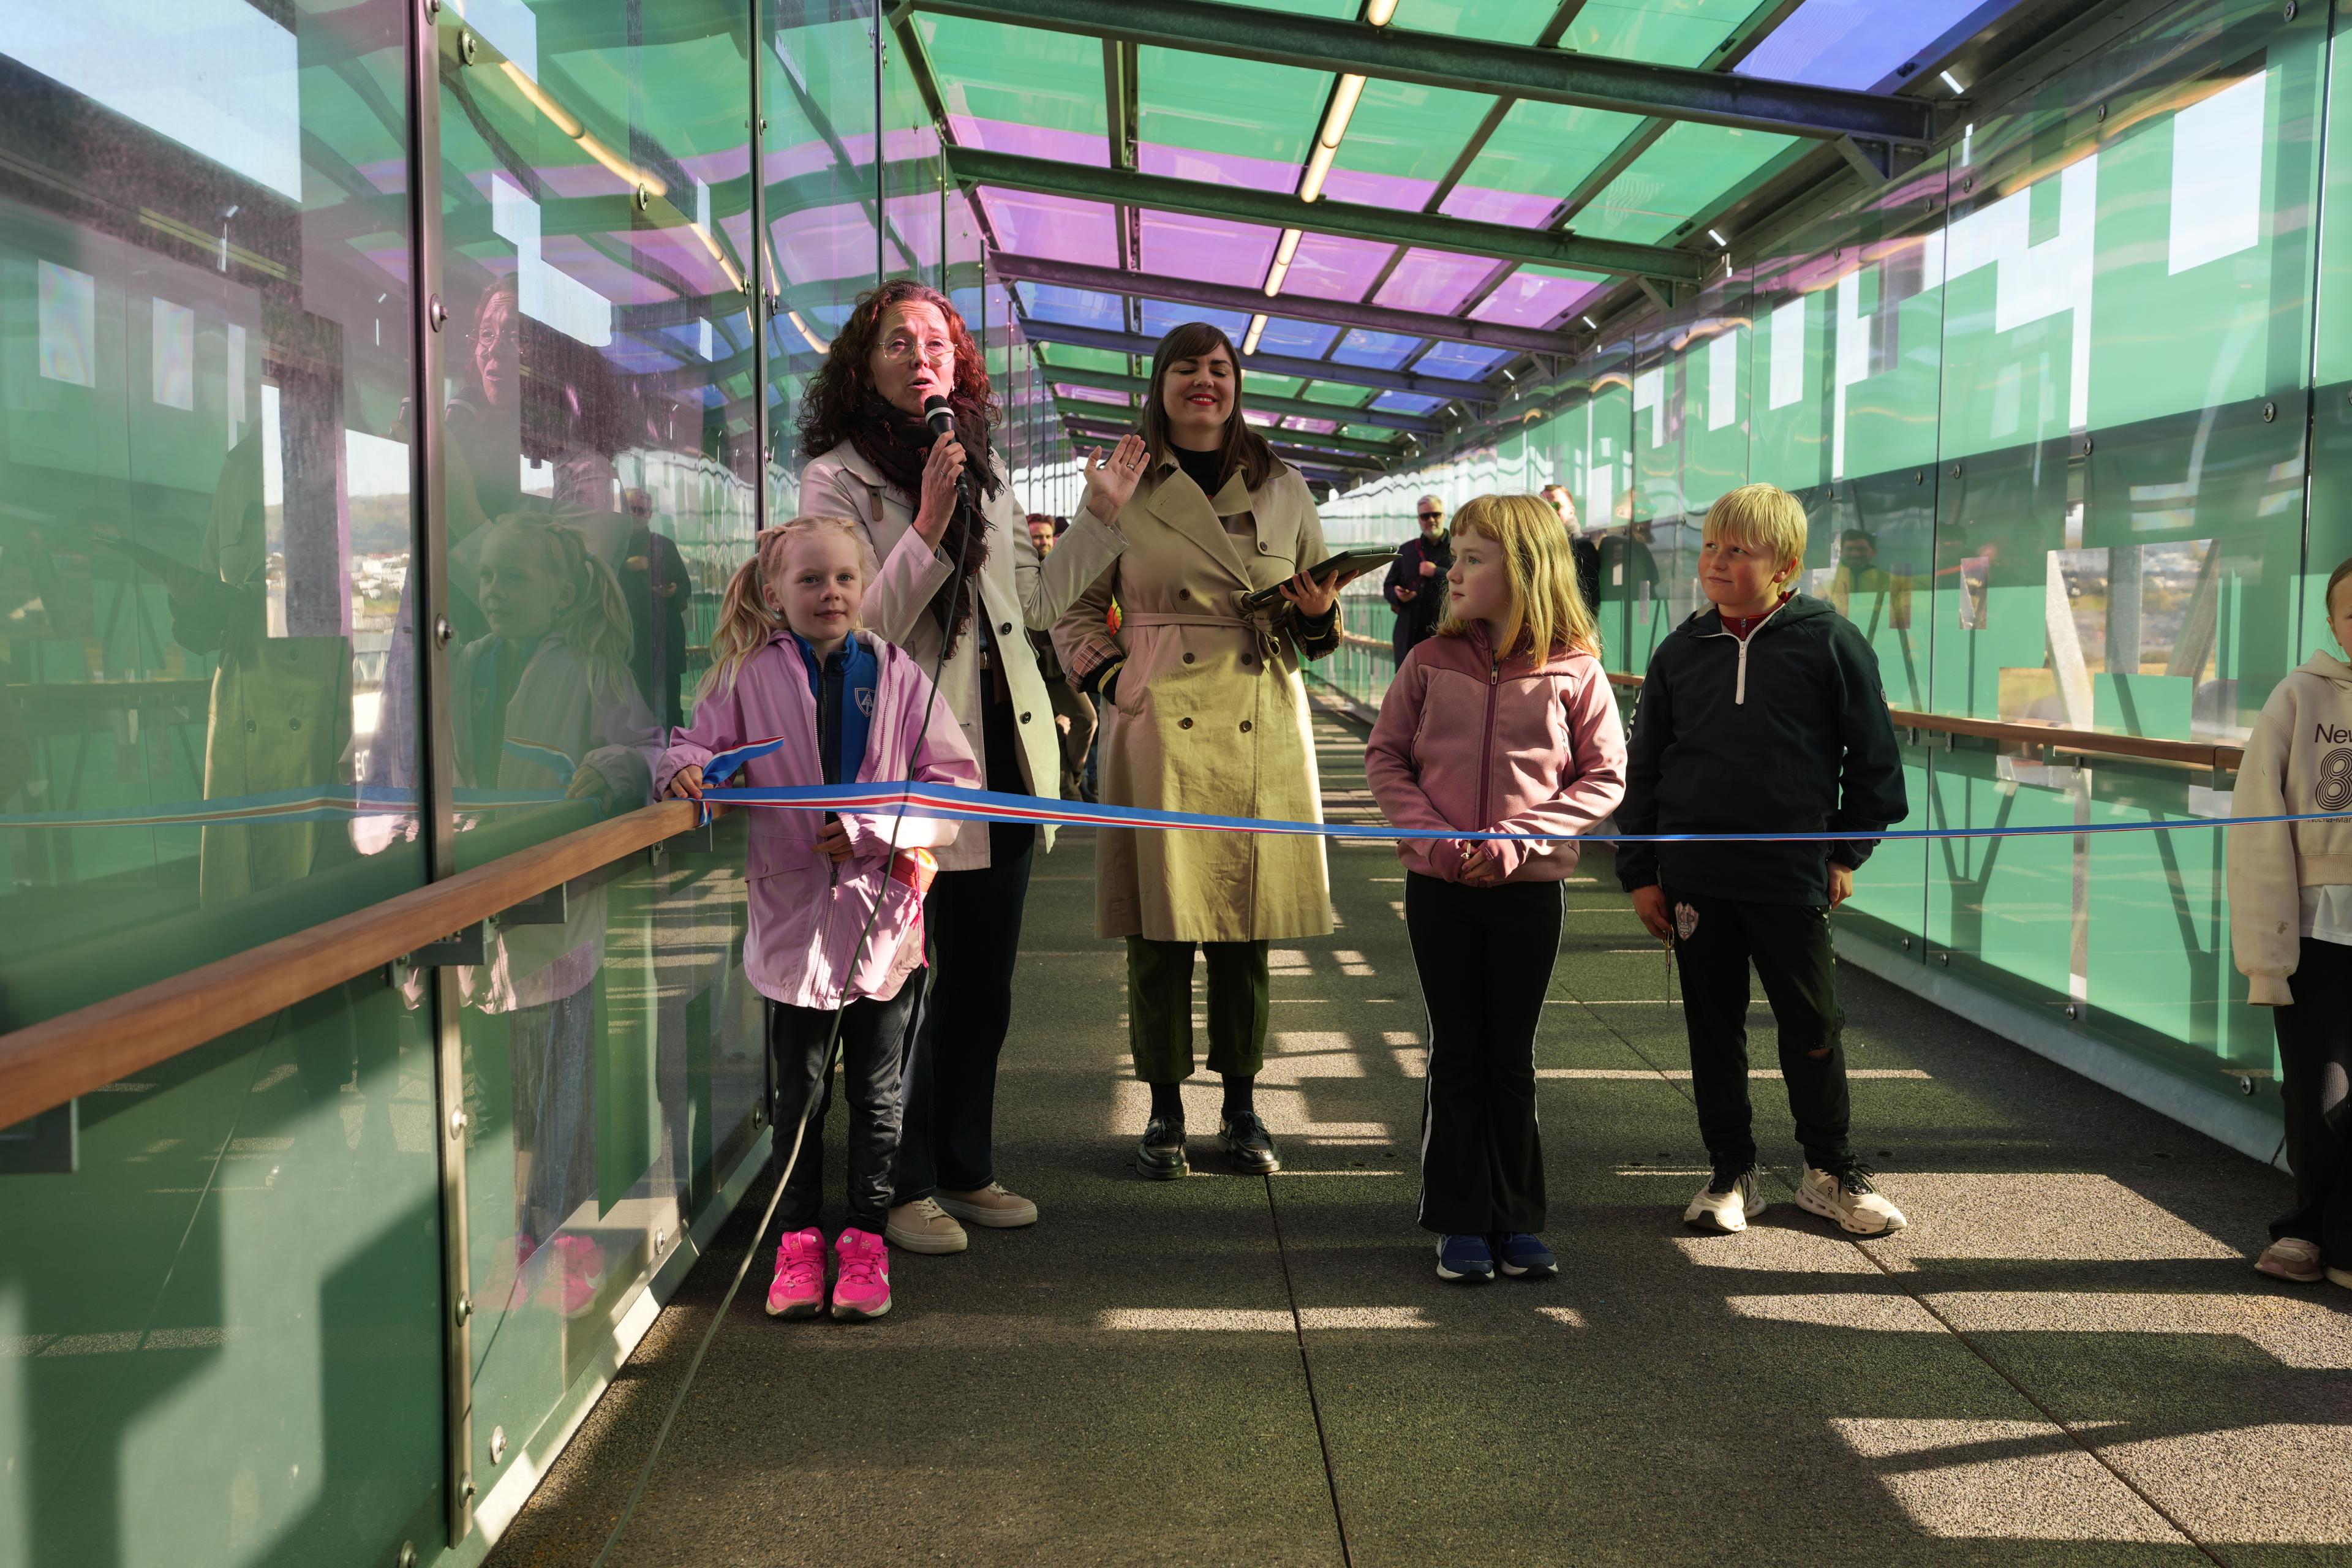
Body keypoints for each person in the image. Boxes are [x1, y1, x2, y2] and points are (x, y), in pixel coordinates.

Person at [797, 281, 1128, 1254]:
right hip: (909, 764)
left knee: (982, 984)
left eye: (935, 341)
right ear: (864, 365)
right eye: (896, 342)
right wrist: (927, 523)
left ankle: (964, 1164)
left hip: (1005, 756)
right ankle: (897, 1185)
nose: (919, 355)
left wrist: (1098, 524)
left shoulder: (982, 465)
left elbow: (1032, 602)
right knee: (901, 982)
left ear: (958, 361)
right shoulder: (837, 480)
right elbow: (852, 627)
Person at [1052, 320, 1354, 1181]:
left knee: (1246, 929)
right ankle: (1162, 1108)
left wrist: (1315, 613)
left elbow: (1321, 628)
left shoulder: (1284, 484)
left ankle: (1245, 1105)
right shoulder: (1122, 486)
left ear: (1236, 383)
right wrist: (1117, 685)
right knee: (1159, 931)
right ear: (1161, 382)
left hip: (1258, 710)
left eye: (1218, 369)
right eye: (1186, 368)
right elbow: (1067, 609)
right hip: (1159, 727)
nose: (1204, 383)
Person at [658, 516, 980, 1321]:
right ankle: (798, 1242)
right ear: (776, 593)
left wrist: (874, 829)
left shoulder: (902, 675)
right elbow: (687, 748)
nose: (829, 593)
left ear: (864, 586)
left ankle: (865, 1242)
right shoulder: (746, 676)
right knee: (796, 1093)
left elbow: (953, 789)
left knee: (878, 1096)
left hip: (886, 925)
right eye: (810, 581)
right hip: (792, 924)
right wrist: (686, 772)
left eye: (843, 578)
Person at [1616, 482, 1911, 1237]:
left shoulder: (1830, 640)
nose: (1716, 561)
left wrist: (1846, 851)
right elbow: (1644, 769)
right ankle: (1729, 1170)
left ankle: (1831, 1170)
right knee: (1713, 1029)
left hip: (1789, 878)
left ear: (1785, 566)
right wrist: (1641, 872)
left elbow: (1874, 761)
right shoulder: (1680, 651)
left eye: (1737, 551)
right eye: (1711, 546)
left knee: (1814, 1023)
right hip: (1695, 882)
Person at [1365, 494, 1626, 1284]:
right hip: (1440, 888)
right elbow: (1387, 759)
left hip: (1527, 891)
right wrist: (1439, 843)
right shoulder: (1428, 662)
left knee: (1510, 1053)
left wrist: (1523, 839)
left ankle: (1516, 1217)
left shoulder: (1576, 670)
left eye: (1473, 557)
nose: (1452, 569)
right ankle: (1457, 1218)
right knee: (1457, 1049)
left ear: (1524, 568)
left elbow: (1605, 775)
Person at [453, 514, 662, 1314]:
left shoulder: (591, 670)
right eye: (490, 577)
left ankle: (566, 1236)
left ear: (565, 591)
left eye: (516, 577)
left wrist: (610, 770)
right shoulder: (464, 666)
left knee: (563, 1089)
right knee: (496, 1091)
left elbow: (646, 749)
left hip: (556, 909)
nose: (495, 590)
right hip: (480, 905)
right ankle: (506, 1237)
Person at [2228, 556, 2352, 1289]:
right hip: (2318, 934)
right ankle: (2309, 1227)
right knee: (2321, 1092)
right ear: (2335, 626)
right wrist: (2265, 951)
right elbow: (2257, 825)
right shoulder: (2299, 697)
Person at [1028, 513, 1098, 801]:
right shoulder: (1020, 568)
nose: (1042, 541)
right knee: (1054, 727)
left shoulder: (1058, 565)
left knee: (1087, 719)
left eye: (1046, 536)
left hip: (1060, 664)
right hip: (1032, 665)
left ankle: (1073, 779)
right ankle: (1068, 790)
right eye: (1036, 536)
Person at [620, 487, 692, 731]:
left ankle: (678, 761)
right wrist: (625, 569)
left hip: (664, 643)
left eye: (641, 510)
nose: (636, 514)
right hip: (629, 644)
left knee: (671, 708)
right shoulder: (615, 546)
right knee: (631, 710)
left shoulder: (664, 545)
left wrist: (673, 591)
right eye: (631, 508)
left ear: (649, 514)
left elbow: (685, 587)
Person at [1381, 494, 1450, 666]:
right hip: (1408, 635)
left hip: (1446, 634)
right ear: (1419, 519)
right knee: (1407, 688)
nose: (1431, 520)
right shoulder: (1407, 550)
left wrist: (1437, 572)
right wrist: (1397, 595)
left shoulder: (1458, 548)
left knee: (1442, 687)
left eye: (1436, 514)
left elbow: (1469, 582)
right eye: (1425, 516)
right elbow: (1388, 586)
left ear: (1444, 516)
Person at [1826, 527, 1913, 638]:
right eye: (1850, 549)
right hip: (1839, 640)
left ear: (1874, 552)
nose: (1855, 554)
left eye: (1861, 549)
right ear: (1841, 551)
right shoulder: (1827, 583)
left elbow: (1900, 620)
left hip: (1881, 641)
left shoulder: (1892, 581)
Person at [1542, 483, 1601, 617]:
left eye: (1555, 506)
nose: (1549, 511)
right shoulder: (1541, 546)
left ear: (1571, 511)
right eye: (1542, 507)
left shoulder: (1582, 547)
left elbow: (1587, 601)